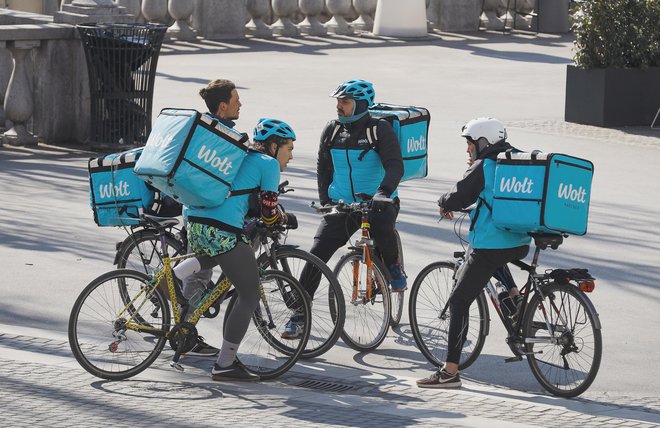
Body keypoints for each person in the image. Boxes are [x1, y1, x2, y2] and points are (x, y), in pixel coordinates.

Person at [166, 117, 297, 382]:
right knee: (249, 293)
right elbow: (268, 209)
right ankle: (224, 364)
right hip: (222, 229)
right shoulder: (268, 164)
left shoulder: (240, 155)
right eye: (289, 149)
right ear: (273, 146)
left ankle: (171, 276)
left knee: (211, 258)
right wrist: (280, 219)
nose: (291, 156)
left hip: (195, 224)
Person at [416, 117, 531, 389]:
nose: (468, 149)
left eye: (469, 143)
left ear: (483, 142)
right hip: (520, 241)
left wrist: (444, 202)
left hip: (491, 244)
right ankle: (515, 301)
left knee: (458, 302)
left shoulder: (485, 165)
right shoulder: (513, 160)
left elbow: (459, 195)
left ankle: (450, 372)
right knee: (494, 257)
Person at [286, 79, 406, 339]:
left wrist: (383, 193)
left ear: (361, 104)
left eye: (345, 102)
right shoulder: (331, 130)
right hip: (342, 203)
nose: (339, 106)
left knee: (384, 230)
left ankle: (393, 265)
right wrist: (326, 200)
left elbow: (396, 165)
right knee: (317, 254)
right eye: (338, 101)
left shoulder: (380, 130)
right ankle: (298, 312)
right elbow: (323, 168)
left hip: (377, 201)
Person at [178, 79, 243, 356]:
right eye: (236, 100)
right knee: (200, 276)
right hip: (204, 215)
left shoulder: (204, 129)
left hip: (193, 208)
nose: (241, 104)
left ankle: (185, 316)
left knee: (200, 271)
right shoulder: (220, 136)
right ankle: (184, 333)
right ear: (223, 106)